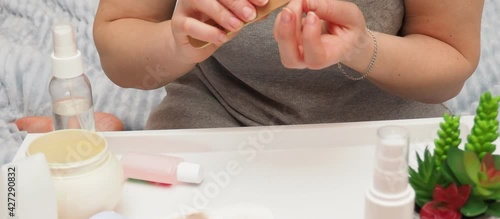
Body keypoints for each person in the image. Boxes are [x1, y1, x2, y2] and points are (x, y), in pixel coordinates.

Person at [88, 0, 483, 130]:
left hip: (381, 128)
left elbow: (450, 61)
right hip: (218, 117)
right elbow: (118, 49)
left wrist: (362, 48)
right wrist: (177, 42)